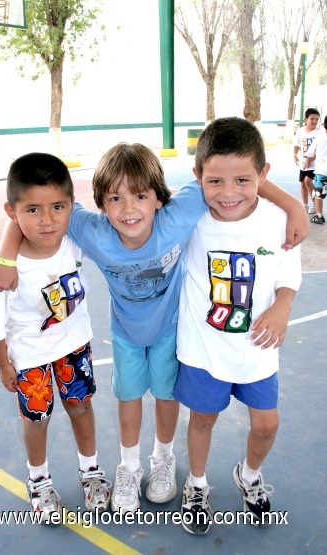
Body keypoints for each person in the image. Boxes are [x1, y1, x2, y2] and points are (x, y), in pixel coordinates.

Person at [0, 143, 308, 515]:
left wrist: (293, 204)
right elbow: (34, 206)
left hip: (172, 331)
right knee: (129, 399)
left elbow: (227, 180)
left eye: (140, 195)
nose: (128, 209)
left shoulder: (178, 215)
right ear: (101, 205)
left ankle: (163, 458)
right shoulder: (90, 230)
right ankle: (129, 466)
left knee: (167, 398)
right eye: (115, 198)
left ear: (159, 199)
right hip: (125, 334)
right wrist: (5, 256)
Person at [174, 117, 301, 535]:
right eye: (215, 182)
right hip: (203, 349)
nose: (228, 193)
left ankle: (248, 475)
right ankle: (196, 484)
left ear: (263, 176)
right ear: (198, 178)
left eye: (243, 180)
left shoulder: (277, 219)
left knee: (267, 424)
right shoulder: (188, 219)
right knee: (202, 420)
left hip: (257, 348)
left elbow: (288, 275)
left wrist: (282, 306)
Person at [0, 153, 111, 522]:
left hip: (74, 345)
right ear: (12, 212)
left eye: (57, 207)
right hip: (29, 356)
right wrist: (3, 364)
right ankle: (38, 480)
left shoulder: (73, 239)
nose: (48, 220)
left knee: (81, 407)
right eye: (32, 210)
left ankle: (91, 472)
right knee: (36, 419)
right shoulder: (3, 268)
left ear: (70, 205)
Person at [293, 107, 322, 214]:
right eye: (312, 119)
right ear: (306, 119)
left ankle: (313, 204)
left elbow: (318, 150)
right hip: (303, 162)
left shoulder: (319, 133)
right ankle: (304, 205)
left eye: (317, 119)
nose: (314, 121)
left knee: (308, 181)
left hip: (315, 164)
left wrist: (310, 161)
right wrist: (295, 155)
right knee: (302, 183)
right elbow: (296, 144)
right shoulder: (301, 131)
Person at [303, 114, 327, 225]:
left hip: (322, 171)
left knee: (319, 194)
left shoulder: (320, 138)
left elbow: (309, 153)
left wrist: (307, 162)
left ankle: (319, 216)